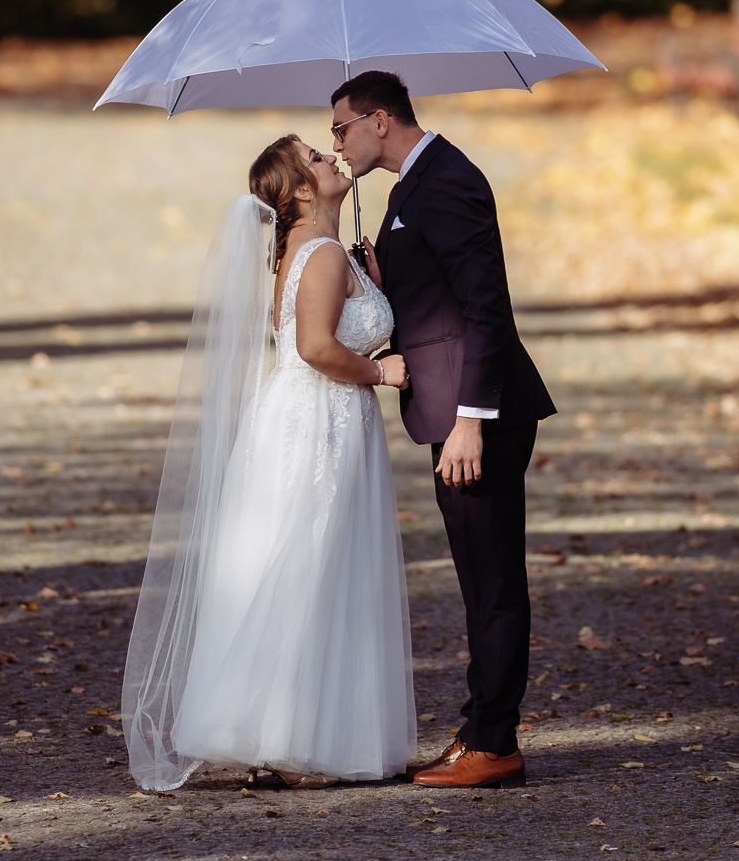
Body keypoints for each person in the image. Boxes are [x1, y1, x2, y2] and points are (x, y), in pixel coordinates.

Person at [122, 136, 417, 790]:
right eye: (316, 156)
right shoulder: (322, 255)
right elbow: (314, 346)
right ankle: (293, 741)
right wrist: (380, 369)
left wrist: (372, 277)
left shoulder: (323, 252)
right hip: (319, 418)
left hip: (316, 415)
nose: (332, 157)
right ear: (304, 192)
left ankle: (294, 731)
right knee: (309, 563)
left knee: (314, 564)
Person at [330, 70, 556, 790]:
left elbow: (486, 306)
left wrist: (470, 421)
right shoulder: (410, 188)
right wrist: (379, 272)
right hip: (452, 411)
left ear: (378, 121)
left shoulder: (449, 179)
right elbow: (437, 300)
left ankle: (496, 744)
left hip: (477, 416)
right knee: (475, 578)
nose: (334, 144)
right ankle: (478, 728)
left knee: (493, 582)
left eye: (340, 129)